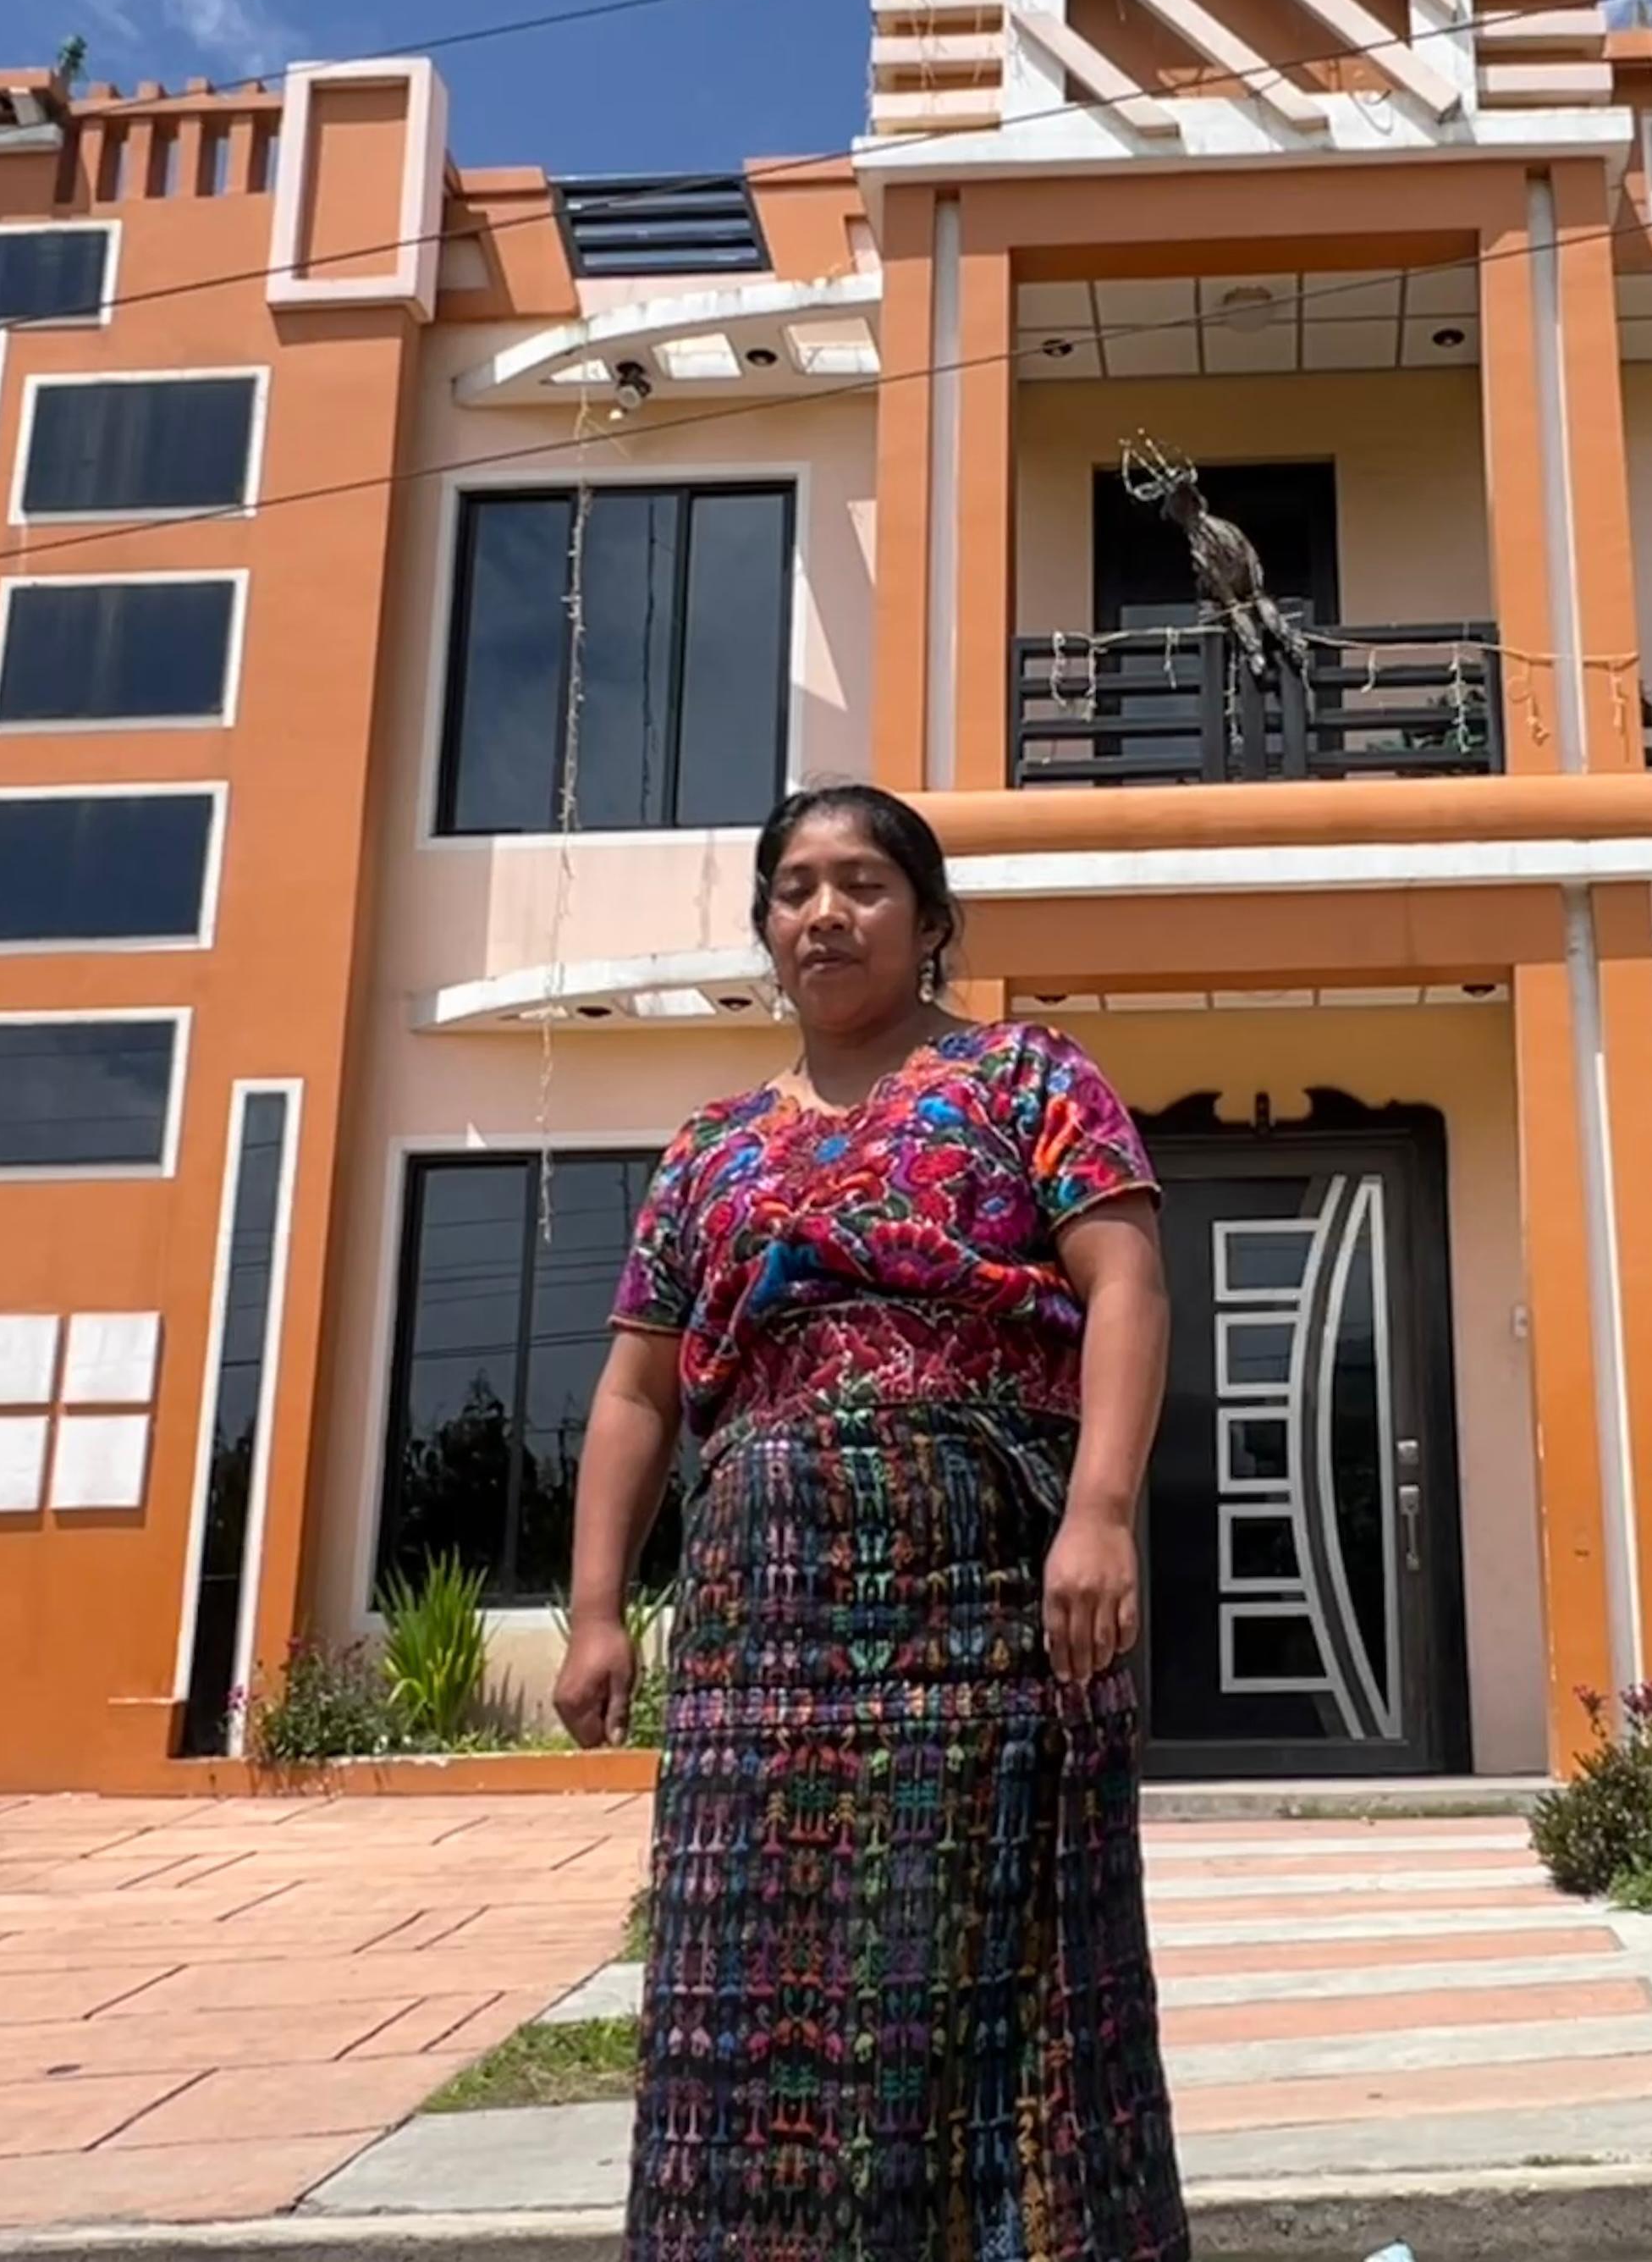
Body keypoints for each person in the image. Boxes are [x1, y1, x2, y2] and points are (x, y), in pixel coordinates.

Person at [553, 780, 1190, 2262]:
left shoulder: (1028, 1080)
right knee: (748, 1985)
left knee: (994, 1975)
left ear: (928, 917)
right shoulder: (707, 1149)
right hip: (761, 1619)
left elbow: (1127, 1290)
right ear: (766, 928)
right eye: (794, 888)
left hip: (990, 1597)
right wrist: (595, 1610)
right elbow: (639, 1392)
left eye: (862, 884)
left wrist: (1098, 1512)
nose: (824, 912)